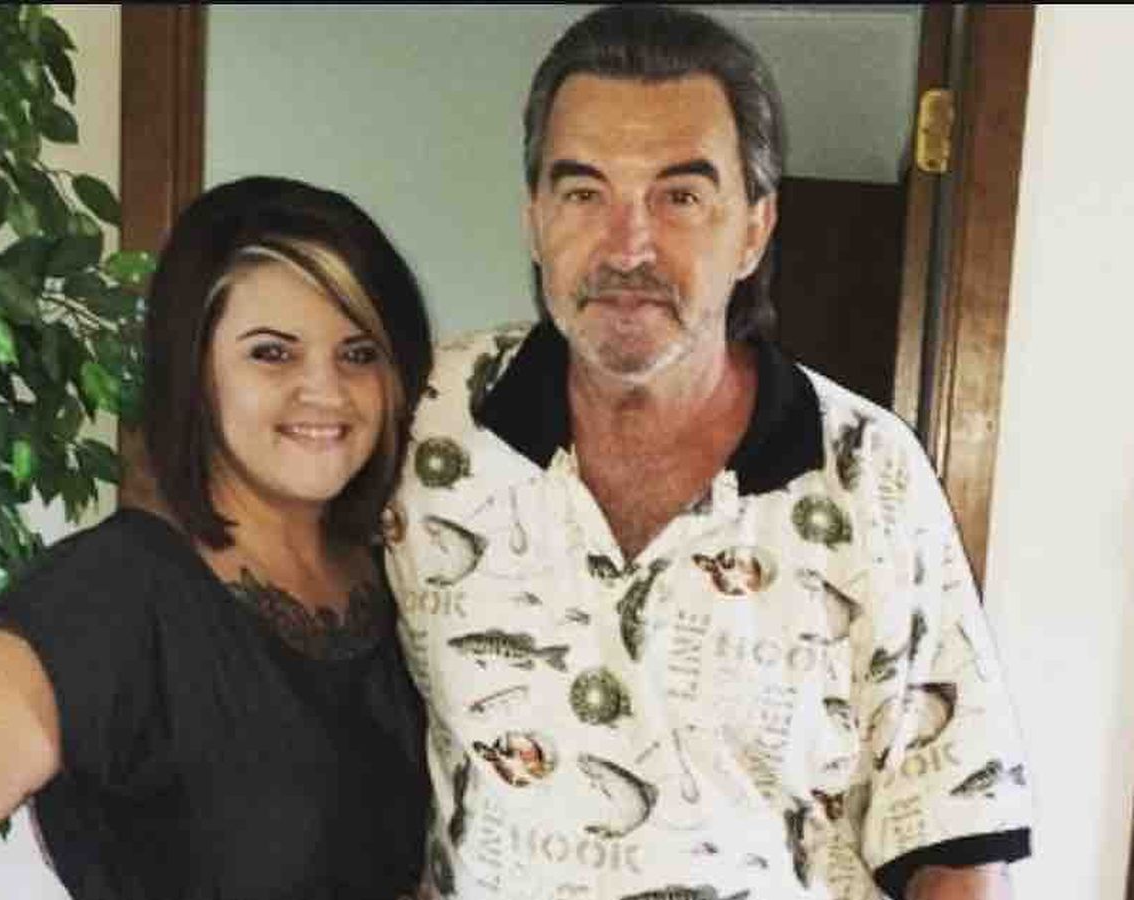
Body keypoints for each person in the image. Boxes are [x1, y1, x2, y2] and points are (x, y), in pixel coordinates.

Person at [383, 6, 1032, 900]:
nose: (628, 246)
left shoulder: (868, 472)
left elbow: (957, 840)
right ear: (534, 218)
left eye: (680, 197)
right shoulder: (427, 421)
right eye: (584, 193)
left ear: (755, 228)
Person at [0, 177, 432, 900]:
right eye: (272, 353)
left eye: (358, 354)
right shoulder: (117, 591)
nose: (326, 392)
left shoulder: (405, 568)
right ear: (195, 371)